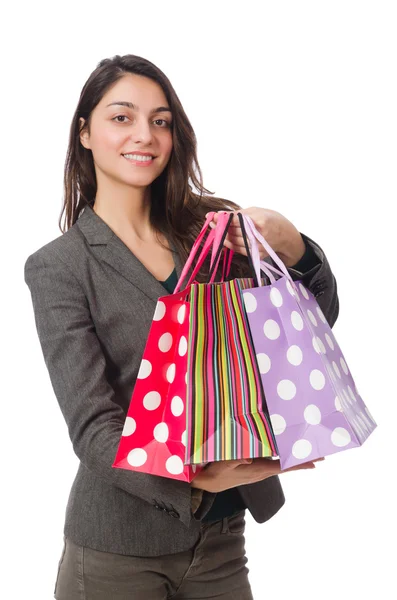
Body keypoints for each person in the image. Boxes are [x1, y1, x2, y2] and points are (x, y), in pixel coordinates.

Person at [24, 54, 339, 600]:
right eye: (121, 117)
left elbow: (308, 328)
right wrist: (195, 479)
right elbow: (94, 427)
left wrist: (296, 247)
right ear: (85, 134)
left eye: (160, 120)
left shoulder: (210, 231)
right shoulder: (60, 267)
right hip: (117, 548)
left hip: (220, 541)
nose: (144, 134)